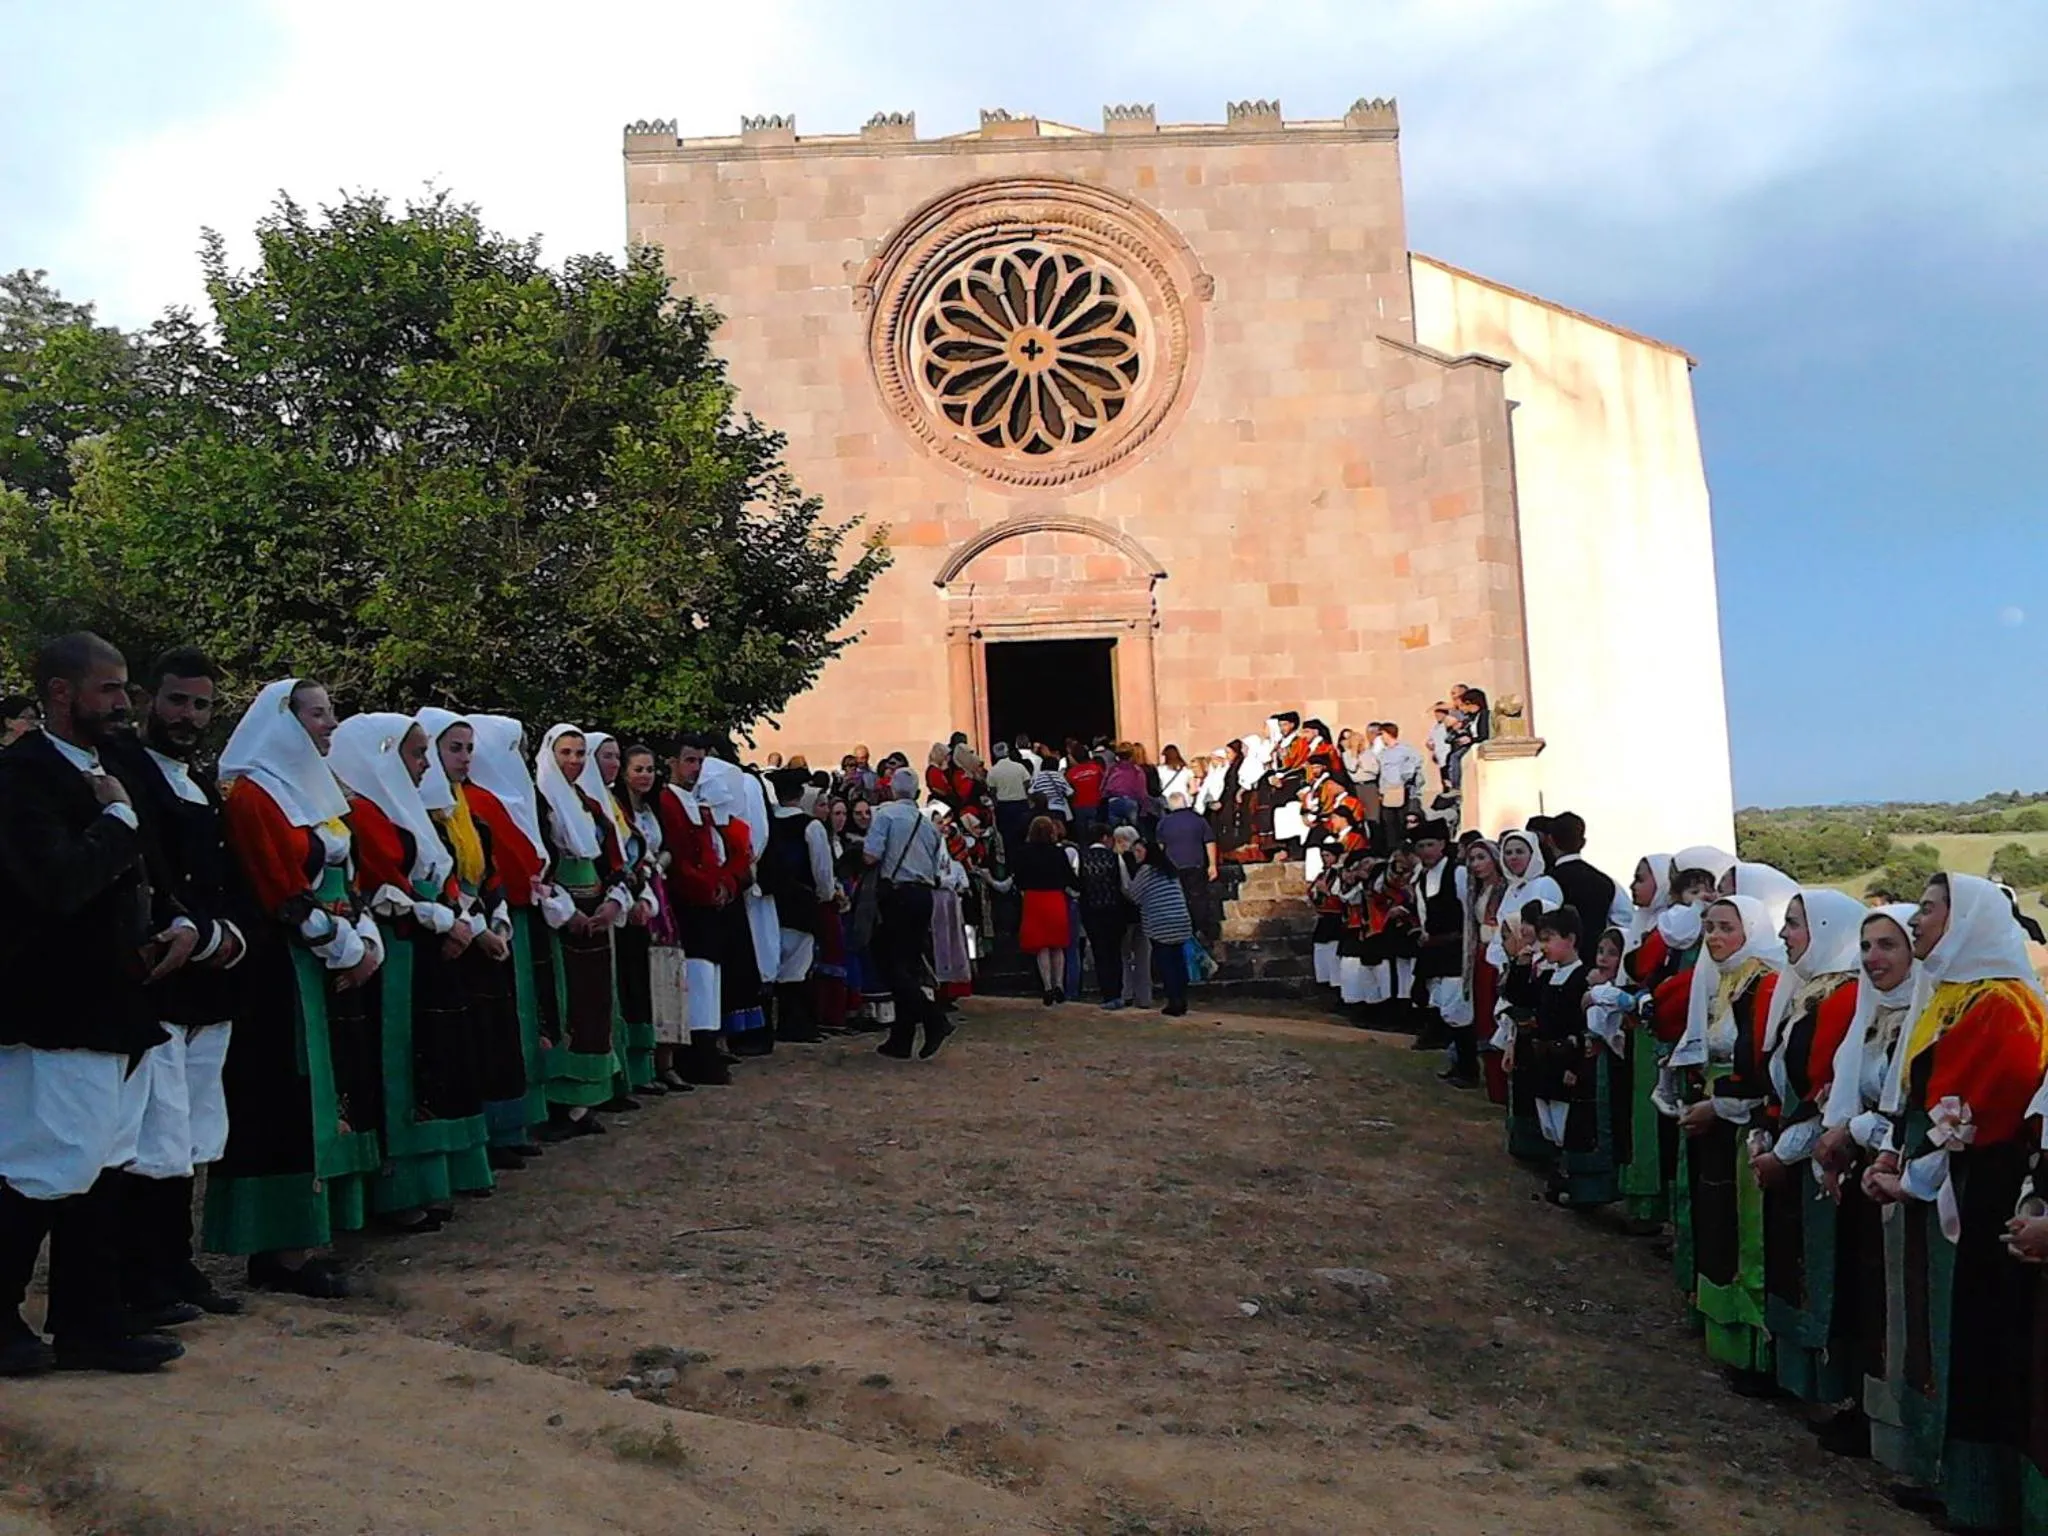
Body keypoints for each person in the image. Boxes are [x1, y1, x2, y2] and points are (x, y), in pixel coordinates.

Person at [0, 634, 187, 1375]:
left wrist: (178, 923)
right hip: (53, 1004)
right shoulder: (20, 777)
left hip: (115, 1000)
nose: (122, 703)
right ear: (58, 693)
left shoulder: (108, 772)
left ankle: (90, 1319)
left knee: (106, 1162)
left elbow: (142, 877)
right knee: (43, 1162)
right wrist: (115, 824)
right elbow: (55, 884)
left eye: (124, 689)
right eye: (107, 690)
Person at [1860, 874, 2048, 1530]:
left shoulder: (2005, 1004)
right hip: (1944, 1184)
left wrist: (1912, 1172)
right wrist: (1893, 1153)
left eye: (1933, 909)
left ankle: (1979, 1498)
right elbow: (1918, 1093)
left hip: (1985, 1194)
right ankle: (1945, 1477)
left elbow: (1983, 1112)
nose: (1918, 921)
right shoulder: (1947, 996)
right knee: (1941, 1330)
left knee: (1977, 1341)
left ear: (1967, 921)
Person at [206, 677, 383, 1299]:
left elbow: (346, 870)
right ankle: (278, 1247)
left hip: (329, 959)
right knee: (286, 1095)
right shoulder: (255, 796)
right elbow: (276, 886)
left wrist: (361, 937)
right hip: (283, 966)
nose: (330, 725)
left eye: (331, 713)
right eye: (316, 714)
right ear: (284, 722)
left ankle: (314, 1233)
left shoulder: (319, 790)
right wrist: (341, 945)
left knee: (332, 1088)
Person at [106, 648, 249, 1324]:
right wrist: (189, 926)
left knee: (190, 1131)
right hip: (160, 976)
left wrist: (229, 936)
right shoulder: (125, 772)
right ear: (147, 700)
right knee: (152, 1134)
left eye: (201, 705)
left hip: (208, 981)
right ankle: (142, 1275)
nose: (188, 716)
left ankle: (175, 1263)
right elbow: (146, 869)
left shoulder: (198, 779)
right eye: (177, 701)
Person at [332, 713, 493, 1227]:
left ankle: (427, 1184)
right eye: (417, 753)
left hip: (426, 951)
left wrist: (455, 920)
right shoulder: (363, 812)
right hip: (394, 956)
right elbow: (386, 886)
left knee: (429, 1063)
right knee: (395, 1068)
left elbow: (440, 873)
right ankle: (395, 1194)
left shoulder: (406, 810)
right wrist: (444, 921)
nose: (426, 765)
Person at [1812, 903, 1921, 1461]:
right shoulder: (1872, 1013)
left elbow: (1910, 1111)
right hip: (1863, 1174)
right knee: (1861, 1292)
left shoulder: (1921, 1016)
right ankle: (1859, 1406)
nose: (1873, 959)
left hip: (1901, 1180)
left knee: (1894, 1306)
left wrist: (1852, 1127)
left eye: (1888, 946)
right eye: (1867, 946)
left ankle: (1896, 1430)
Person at [1749, 887, 1866, 1408]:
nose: (1783, 934)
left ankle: (1825, 1391)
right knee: (1791, 1260)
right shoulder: (1808, 990)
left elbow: (1826, 1092)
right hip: (1789, 1152)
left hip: (1817, 1156)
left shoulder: (1843, 999)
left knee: (1820, 1268)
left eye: (1794, 923)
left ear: (1824, 932)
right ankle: (1793, 1377)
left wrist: (1786, 1151)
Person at [1668, 894, 1787, 1393]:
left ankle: (1757, 1352)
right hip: (1712, 1114)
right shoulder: (1719, 979)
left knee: (1747, 1233)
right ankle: (1722, 1334)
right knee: (1715, 1220)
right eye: (1708, 927)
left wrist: (1720, 1107)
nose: (1714, 938)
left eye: (1725, 928)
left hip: (1744, 1121)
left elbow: (1761, 1069)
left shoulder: (1765, 985)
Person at [450, 715, 554, 1154]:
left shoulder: (502, 800)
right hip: (474, 925)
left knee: (508, 1024)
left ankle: (515, 1121)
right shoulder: (474, 802)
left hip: (503, 919)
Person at [532, 725, 629, 1135]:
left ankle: (586, 1100)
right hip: (561, 915)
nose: (573, 761)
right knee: (563, 1002)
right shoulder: (539, 802)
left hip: (595, 910)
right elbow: (539, 865)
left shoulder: (588, 803)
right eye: (565, 753)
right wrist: (564, 910)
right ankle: (560, 1101)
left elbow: (612, 860)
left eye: (578, 753)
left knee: (594, 1001)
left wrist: (614, 901)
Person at [655, 734, 737, 1083]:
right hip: (686, 901)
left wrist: (722, 884)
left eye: (699, 762)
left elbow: (712, 852)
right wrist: (707, 887)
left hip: (705, 900)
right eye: (689, 761)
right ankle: (696, 1052)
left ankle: (707, 1044)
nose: (695, 769)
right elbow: (679, 856)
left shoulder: (695, 803)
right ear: (672, 762)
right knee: (696, 975)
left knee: (709, 975)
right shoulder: (667, 801)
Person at [610, 741, 691, 1091]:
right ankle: (638, 1065)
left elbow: (668, 847)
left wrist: (659, 865)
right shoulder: (616, 808)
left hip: (659, 891)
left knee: (667, 972)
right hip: (634, 894)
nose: (644, 776)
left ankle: (666, 1060)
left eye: (649, 769)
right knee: (638, 977)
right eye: (638, 769)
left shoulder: (654, 808)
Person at [862, 769, 954, 1059]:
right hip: (923, 895)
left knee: (890, 964)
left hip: (897, 894)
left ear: (891, 790)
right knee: (909, 964)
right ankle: (902, 1038)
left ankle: (933, 1019)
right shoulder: (928, 826)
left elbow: (871, 856)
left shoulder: (886, 817)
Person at [762, 766, 836, 1042]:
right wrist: (826, 895)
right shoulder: (810, 826)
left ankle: (772, 1022)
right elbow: (822, 868)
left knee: (772, 959)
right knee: (798, 963)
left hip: (770, 901)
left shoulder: (767, 823)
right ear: (801, 793)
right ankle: (796, 1024)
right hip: (802, 901)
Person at [1409, 820, 1469, 1057]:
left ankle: (1466, 1065)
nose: (1426, 850)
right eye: (1421, 845)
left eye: (1430, 844)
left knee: (1457, 1008)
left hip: (1455, 949)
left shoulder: (1458, 873)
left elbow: (1467, 912)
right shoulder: (1422, 878)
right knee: (1437, 1000)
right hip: (1433, 951)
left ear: (1443, 845)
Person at [1014, 815, 1080, 1006]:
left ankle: (1047, 986)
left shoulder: (1024, 852)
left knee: (1041, 946)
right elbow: (1070, 877)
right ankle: (1059, 984)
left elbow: (1019, 878)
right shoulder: (1058, 853)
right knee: (1057, 945)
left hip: (1034, 899)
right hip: (1055, 898)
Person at [1533, 813, 1622, 949]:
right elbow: (1622, 920)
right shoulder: (1606, 881)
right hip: (1596, 958)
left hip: (1562, 960)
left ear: (1550, 840)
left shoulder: (1548, 881)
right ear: (1583, 842)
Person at [1128, 838, 1196, 1017]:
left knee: (1166, 962)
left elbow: (1134, 895)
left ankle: (1173, 1000)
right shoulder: (1170, 870)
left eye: (1138, 851)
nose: (1136, 855)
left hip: (1161, 922)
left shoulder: (1146, 871)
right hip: (1180, 919)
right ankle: (1181, 998)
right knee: (1178, 961)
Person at [1078, 824, 1133, 1008]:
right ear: (1104, 838)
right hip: (1113, 910)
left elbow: (1076, 885)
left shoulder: (1081, 858)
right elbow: (1125, 886)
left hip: (1091, 911)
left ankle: (1107, 994)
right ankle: (1117, 993)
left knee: (1100, 952)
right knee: (1114, 952)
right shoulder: (1115, 858)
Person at [1156, 793, 1219, 943]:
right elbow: (1210, 842)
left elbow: (1160, 847)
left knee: (1178, 901)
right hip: (1195, 863)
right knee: (1198, 899)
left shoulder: (1164, 823)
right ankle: (1200, 930)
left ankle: (1184, 932)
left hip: (1173, 867)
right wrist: (1212, 865)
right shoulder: (1198, 819)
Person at [1374, 724, 1424, 847]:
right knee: (1389, 824)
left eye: (1383, 734)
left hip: (1401, 790)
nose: (1382, 737)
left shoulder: (1405, 749)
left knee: (1402, 822)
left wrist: (1404, 777)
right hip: (1387, 792)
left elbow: (1416, 762)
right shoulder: (1383, 753)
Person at [987, 742, 1033, 854]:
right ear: (1007, 752)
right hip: (1021, 806)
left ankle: (1010, 867)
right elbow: (1027, 784)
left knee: (1007, 841)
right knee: (1023, 838)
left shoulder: (993, 771)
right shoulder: (1019, 767)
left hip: (1004, 808)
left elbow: (992, 791)